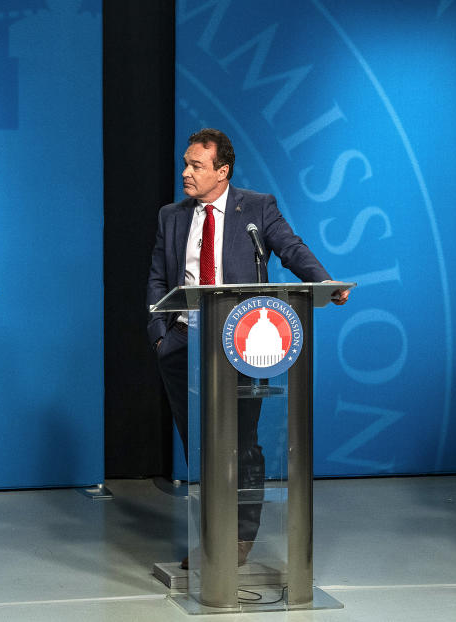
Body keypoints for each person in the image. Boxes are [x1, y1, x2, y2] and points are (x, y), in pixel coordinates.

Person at [147, 128, 349, 568]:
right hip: (182, 341)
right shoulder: (172, 215)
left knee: (242, 444)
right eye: (186, 163)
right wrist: (160, 335)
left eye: (196, 166)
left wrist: (321, 281)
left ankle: (239, 537)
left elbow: (290, 248)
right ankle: (211, 539)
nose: (186, 172)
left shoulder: (256, 208)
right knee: (200, 446)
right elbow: (159, 279)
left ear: (223, 171)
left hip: (239, 341)